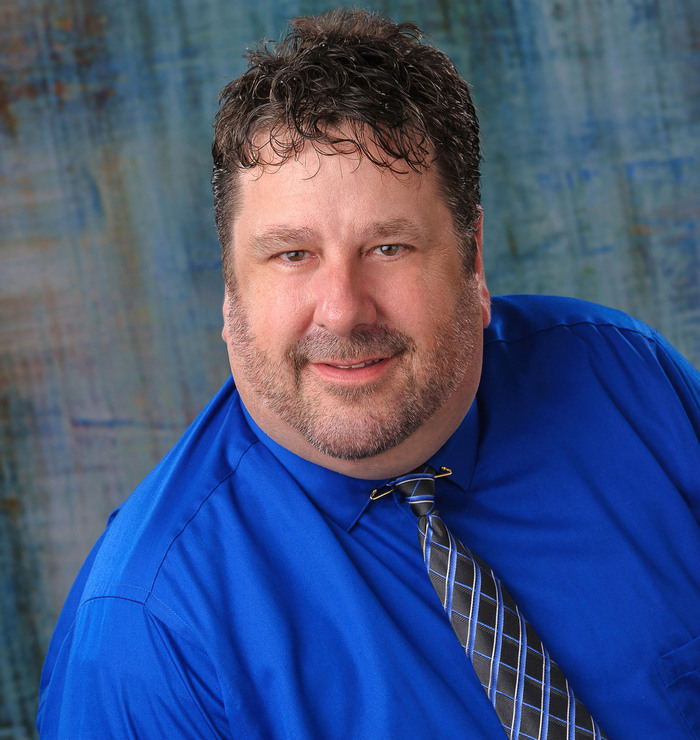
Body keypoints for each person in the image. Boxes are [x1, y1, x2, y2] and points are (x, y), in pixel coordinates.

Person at [37, 8, 699, 739]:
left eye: (389, 247)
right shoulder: (146, 636)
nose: (344, 311)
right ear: (231, 291)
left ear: (473, 260)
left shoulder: (628, 383)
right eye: (292, 255)